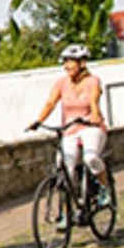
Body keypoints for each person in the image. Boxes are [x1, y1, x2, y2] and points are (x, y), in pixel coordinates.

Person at [28, 44, 111, 205]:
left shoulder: (93, 81)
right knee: (66, 169)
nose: (67, 66)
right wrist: (39, 121)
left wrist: (94, 117)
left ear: (82, 63)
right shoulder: (61, 83)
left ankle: (103, 187)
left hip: (91, 127)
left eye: (71, 62)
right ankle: (66, 212)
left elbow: (94, 100)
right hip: (70, 130)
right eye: (65, 62)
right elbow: (51, 103)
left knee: (91, 157)